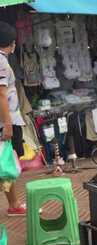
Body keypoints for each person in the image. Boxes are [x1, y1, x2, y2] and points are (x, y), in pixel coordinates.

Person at [0, 21, 26, 216]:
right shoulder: (0, 61)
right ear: (10, 43)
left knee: (6, 164)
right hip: (5, 121)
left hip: (6, 119)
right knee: (6, 164)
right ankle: (14, 203)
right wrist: (7, 125)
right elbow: (0, 94)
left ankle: (14, 203)